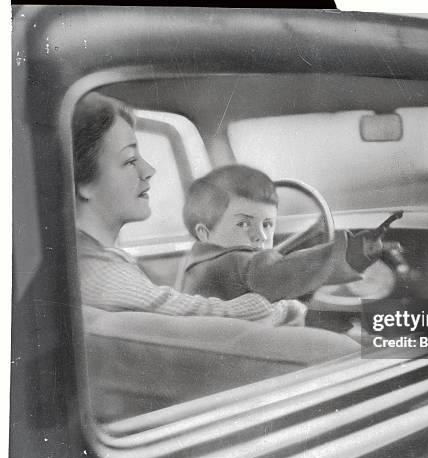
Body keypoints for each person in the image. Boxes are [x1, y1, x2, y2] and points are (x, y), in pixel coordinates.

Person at [73, 92, 304, 326]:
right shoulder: (99, 273)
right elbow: (202, 315)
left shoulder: (96, 263)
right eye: (130, 160)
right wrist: (282, 307)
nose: (148, 169)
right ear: (83, 182)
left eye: (267, 224)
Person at [180, 164, 383, 301]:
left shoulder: (195, 265)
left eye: (267, 224)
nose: (261, 235)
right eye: (243, 224)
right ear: (204, 234)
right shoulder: (239, 263)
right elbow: (285, 271)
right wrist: (351, 251)